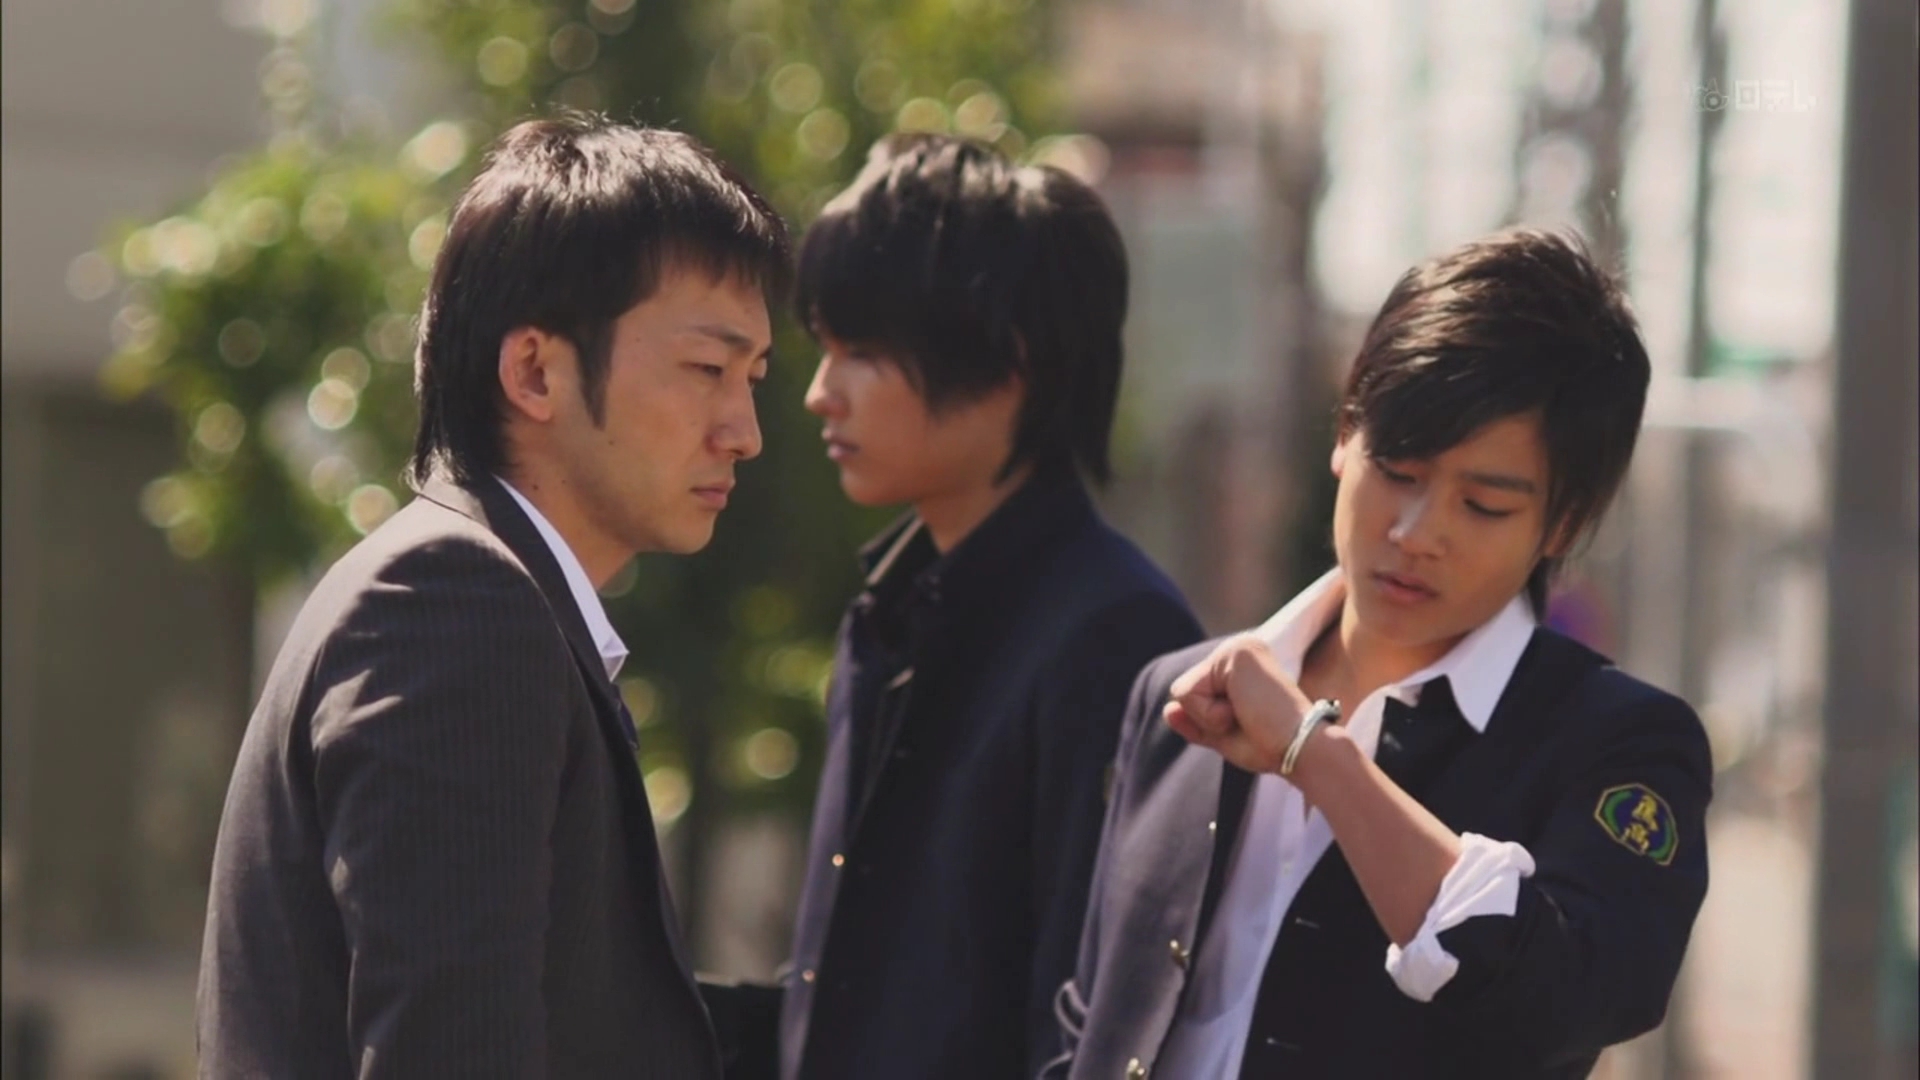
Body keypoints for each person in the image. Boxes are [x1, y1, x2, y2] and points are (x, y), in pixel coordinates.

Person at [197, 115, 789, 1078]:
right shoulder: (458, 603)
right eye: (707, 370)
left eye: (753, 378)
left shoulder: (477, 594)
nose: (744, 430)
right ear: (534, 371)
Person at [1046, 228, 1713, 1079]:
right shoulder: (1181, 695)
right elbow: (1092, 1020)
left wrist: (1314, 756)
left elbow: (1567, 994)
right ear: (1345, 432)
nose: (1417, 533)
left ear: (1566, 521)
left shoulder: (1617, 744)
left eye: (1483, 505)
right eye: (1397, 469)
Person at [722, 134, 1204, 1080]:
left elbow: (1090, 1025)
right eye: (825, 349)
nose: (821, 394)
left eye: (863, 353)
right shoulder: (889, 611)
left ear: (1008, 360)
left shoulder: (1117, 639)